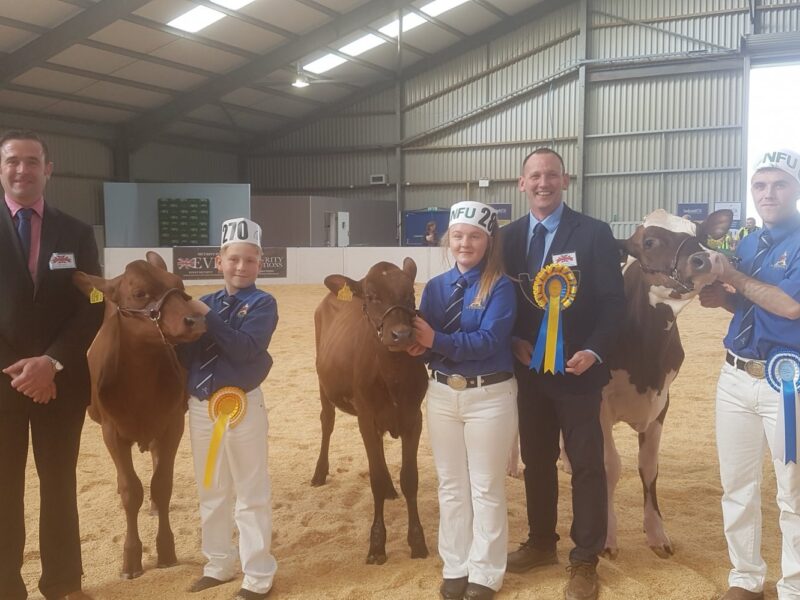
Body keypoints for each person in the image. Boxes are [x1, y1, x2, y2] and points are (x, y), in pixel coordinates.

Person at [500, 148, 625, 600]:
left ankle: (584, 559)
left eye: (551, 175)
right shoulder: (508, 237)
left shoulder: (593, 233)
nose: (543, 183)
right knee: (536, 461)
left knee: (586, 464)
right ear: (521, 183)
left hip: (579, 372)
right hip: (529, 373)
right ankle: (540, 542)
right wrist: (514, 339)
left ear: (565, 180)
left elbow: (614, 303)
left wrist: (593, 349)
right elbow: (503, 302)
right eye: (534, 176)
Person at [0, 129, 102, 600]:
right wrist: (21, 369)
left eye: (32, 161)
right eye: (12, 161)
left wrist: (52, 362)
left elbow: (94, 304)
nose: (22, 170)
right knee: (3, 488)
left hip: (60, 384)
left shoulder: (77, 232)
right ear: (2, 168)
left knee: (59, 483)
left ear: (48, 169)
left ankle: (62, 583)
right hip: (3, 383)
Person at [699, 148, 800, 600]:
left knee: (792, 491)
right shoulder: (748, 242)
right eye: (760, 185)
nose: (768, 193)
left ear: (795, 189)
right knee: (737, 485)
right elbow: (746, 304)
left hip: (788, 382)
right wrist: (718, 296)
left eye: (779, 183)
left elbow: (790, 306)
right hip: (736, 377)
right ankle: (745, 578)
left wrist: (735, 280)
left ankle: (794, 585)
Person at [408, 201, 518, 600]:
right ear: (447, 239)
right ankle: (455, 564)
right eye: (458, 235)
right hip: (441, 394)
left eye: (474, 236)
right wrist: (414, 346)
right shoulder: (436, 287)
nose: (465, 243)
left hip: (488, 395)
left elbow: (490, 341)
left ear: (489, 241)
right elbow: (423, 335)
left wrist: (434, 342)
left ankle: (486, 571)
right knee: (451, 485)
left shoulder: (501, 287)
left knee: (486, 486)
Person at [178, 218, 278, 600]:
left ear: (259, 264)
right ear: (219, 261)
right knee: (211, 487)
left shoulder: (263, 304)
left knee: (251, 491)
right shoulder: (208, 302)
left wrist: (204, 314)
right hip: (202, 409)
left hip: (243, 410)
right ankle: (218, 563)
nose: (241, 267)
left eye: (249, 260)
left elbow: (243, 348)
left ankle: (258, 574)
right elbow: (185, 353)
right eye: (234, 259)